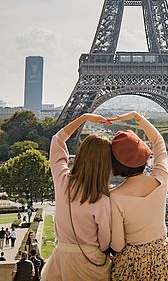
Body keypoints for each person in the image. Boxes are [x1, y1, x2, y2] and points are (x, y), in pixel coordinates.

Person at [41, 113, 113, 281]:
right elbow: (104, 241)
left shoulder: (62, 180)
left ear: (80, 154)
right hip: (90, 262)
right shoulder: (101, 200)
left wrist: (84, 117)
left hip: (62, 258)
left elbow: (57, 140)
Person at [108, 111, 168, 281]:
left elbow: (117, 244)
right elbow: (159, 142)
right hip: (163, 255)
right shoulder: (160, 180)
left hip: (132, 261)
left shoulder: (115, 197)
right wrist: (137, 117)